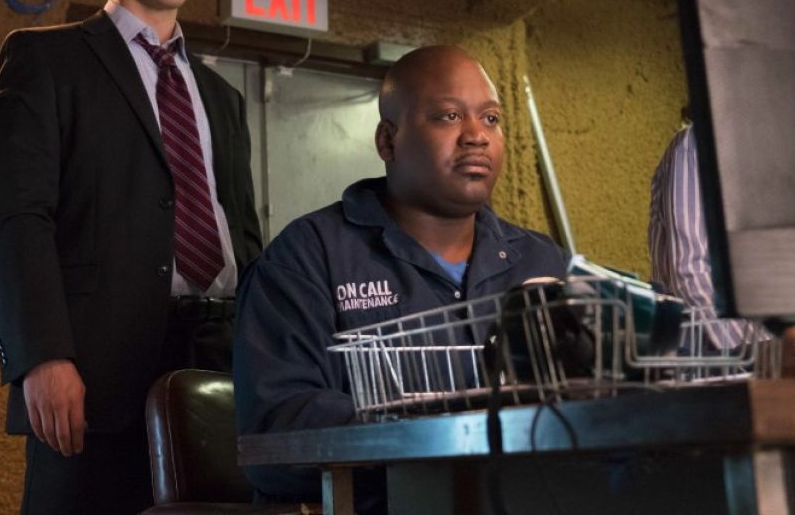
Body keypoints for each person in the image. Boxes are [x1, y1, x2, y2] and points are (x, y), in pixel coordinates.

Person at [0, 0, 261, 515]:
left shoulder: (223, 98)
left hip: (220, 362)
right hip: (93, 372)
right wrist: (42, 357)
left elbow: (244, 238)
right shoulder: (48, 61)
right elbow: (14, 221)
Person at [233, 46, 571, 509]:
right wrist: (446, 429)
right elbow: (277, 431)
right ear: (387, 141)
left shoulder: (542, 261)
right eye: (449, 116)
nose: (476, 136)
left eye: (491, 119)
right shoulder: (307, 258)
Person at [649, 123, 795, 378]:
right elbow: (690, 270)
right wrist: (756, 355)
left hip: (780, 351)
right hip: (705, 362)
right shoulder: (697, 145)